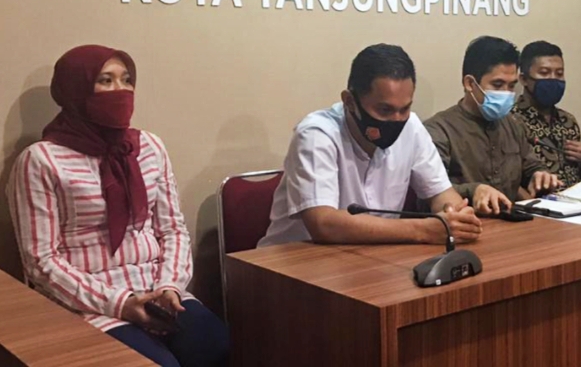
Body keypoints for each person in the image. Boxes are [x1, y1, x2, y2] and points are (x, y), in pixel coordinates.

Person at [6, 45, 229, 367]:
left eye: (127, 80)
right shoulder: (40, 160)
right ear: (75, 90)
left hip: (157, 290)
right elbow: (41, 261)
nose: (121, 90)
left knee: (218, 345)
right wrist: (121, 303)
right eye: (105, 81)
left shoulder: (148, 146)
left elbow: (172, 229)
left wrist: (170, 286)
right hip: (86, 304)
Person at [258, 43, 482, 247]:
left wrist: (454, 216)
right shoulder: (317, 134)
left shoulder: (411, 126)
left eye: (404, 109)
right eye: (384, 110)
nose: (397, 120)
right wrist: (423, 230)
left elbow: (441, 193)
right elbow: (323, 223)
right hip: (293, 264)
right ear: (349, 101)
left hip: (372, 258)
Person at [423, 36, 560, 217]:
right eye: (497, 85)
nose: (506, 93)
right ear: (470, 84)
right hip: (466, 225)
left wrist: (540, 175)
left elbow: (530, 166)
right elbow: (430, 191)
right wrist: (474, 190)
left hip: (513, 225)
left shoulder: (513, 124)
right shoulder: (439, 130)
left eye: (511, 86)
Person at [511, 40, 581, 187]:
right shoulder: (510, 121)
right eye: (544, 73)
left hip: (576, 199)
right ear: (524, 79)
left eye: (559, 73)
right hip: (536, 200)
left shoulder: (568, 121)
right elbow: (508, 181)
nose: (553, 79)